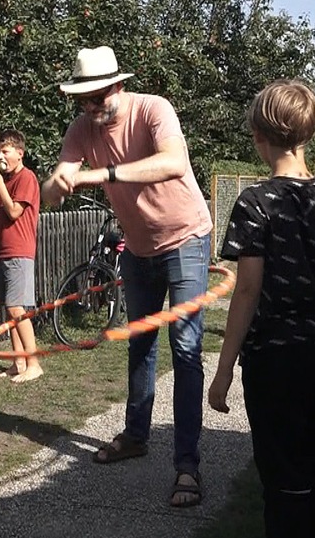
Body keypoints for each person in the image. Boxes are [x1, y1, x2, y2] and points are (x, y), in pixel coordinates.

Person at [41, 45, 213, 508]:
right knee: (139, 342)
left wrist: (101, 175)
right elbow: (52, 191)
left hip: (186, 240)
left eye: (98, 96)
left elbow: (173, 163)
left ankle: (187, 467)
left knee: (186, 347)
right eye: (84, 100)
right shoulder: (81, 129)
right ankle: (136, 436)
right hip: (138, 251)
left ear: (119, 85)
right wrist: (55, 184)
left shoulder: (154, 109)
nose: (92, 108)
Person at [207, 79, 315, 538]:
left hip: (274, 358)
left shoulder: (255, 203)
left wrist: (221, 373)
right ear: (309, 133)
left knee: (281, 479)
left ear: (259, 135)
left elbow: (248, 290)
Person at [0, 128, 43, 383]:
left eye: (5, 152)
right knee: (9, 311)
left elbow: (15, 212)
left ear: (20, 153)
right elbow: (1, 223)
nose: (1, 157)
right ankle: (18, 363)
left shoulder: (26, 178)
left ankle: (34, 363)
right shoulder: (4, 183)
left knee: (19, 309)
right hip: (2, 253)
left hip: (19, 253)